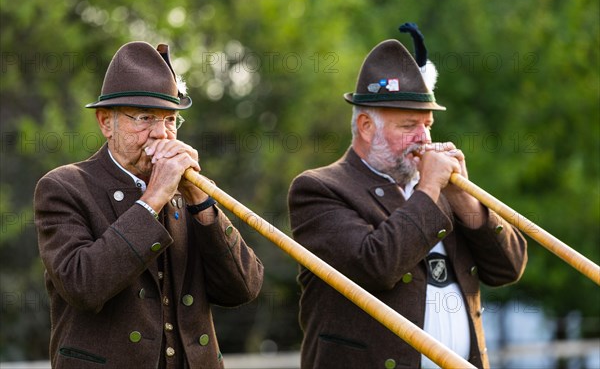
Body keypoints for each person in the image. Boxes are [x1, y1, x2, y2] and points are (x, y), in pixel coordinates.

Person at [287, 24, 527, 369]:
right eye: (408, 126)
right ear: (367, 127)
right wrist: (429, 190)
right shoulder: (320, 188)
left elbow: (509, 268)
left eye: (427, 124)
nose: (423, 138)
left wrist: (464, 201)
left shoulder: (442, 191)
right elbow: (375, 268)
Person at [34, 41, 264, 369]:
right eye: (144, 118)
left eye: (170, 120)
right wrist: (153, 198)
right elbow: (83, 286)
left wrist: (202, 203)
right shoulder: (63, 187)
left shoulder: (191, 191)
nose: (161, 134)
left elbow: (243, 288)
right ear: (105, 123)